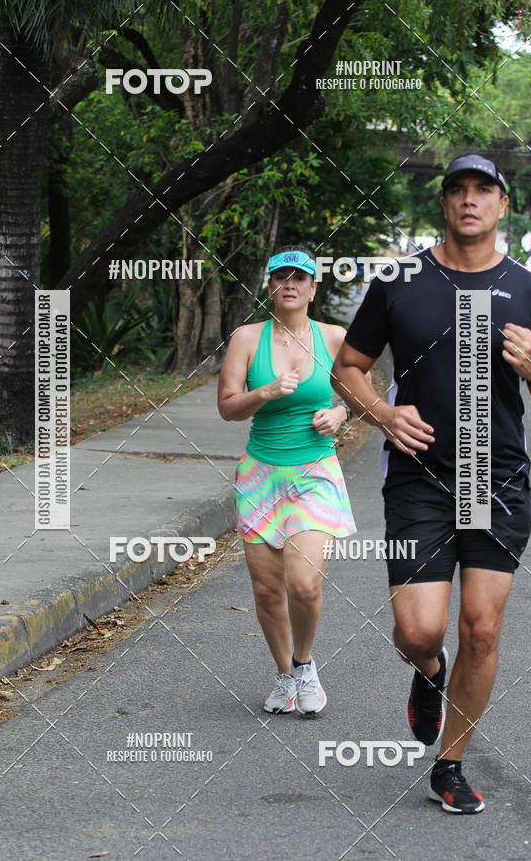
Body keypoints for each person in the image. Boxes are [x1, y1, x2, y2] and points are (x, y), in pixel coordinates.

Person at [332, 153, 531, 812]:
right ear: (444, 204)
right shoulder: (400, 280)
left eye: (482, 190)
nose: (469, 200)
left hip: (497, 479)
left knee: (482, 628)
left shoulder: (529, 290)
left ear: (502, 205)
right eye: (457, 190)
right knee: (419, 631)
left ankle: (450, 764)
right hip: (420, 476)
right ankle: (429, 674)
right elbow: (347, 368)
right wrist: (381, 413)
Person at [218, 245, 357, 716]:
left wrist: (339, 413)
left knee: (304, 584)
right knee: (266, 588)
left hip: (315, 473)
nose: (290, 284)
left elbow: (360, 395)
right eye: (281, 277)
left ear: (314, 288)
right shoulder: (246, 339)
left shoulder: (335, 338)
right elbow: (227, 407)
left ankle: (304, 665)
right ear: (270, 286)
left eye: (301, 278)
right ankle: (283, 675)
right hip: (260, 474)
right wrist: (267, 391)